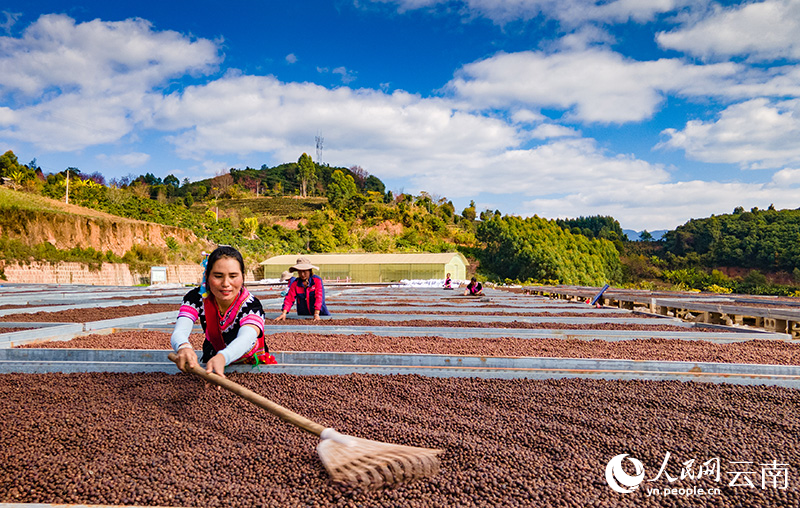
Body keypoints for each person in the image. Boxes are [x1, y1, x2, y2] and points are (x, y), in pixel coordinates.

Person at [171, 246, 275, 377]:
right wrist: (183, 346)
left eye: (233, 276)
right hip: (212, 363)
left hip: (250, 366)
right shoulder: (196, 298)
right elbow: (180, 330)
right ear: (207, 276)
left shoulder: (251, 306)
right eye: (218, 276)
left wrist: (224, 357)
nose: (226, 283)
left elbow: (246, 338)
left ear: (242, 277)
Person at [275, 257, 329, 321]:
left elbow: (319, 297)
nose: (302, 274)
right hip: (303, 315)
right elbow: (289, 298)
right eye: (300, 272)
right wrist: (284, 313)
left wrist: (316, 314)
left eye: (304, 271)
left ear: (309, 270)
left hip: (321, 314)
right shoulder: (295, 283)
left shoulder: (317, 280)